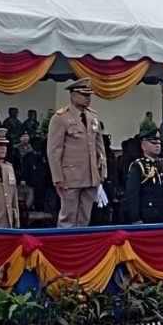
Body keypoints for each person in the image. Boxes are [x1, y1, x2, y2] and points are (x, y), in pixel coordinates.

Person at [47, 78, 107, 228]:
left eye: (89, 95)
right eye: (84, 94)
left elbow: (100, 147)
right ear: (73, 95)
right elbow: (54, 151)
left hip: (91, 175)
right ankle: (65, 242)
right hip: (70, 176)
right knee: (68, 217)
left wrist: (102, 172)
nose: (88, 98)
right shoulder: (60, 118)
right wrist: (58, 178)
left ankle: (81, 242)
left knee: (84, 217)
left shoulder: (92, 116)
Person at [124, 128, 163, 224]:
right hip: (148, 217)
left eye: (159, 143)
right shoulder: (139, 166)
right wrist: (135, 218)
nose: (157, 146)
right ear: (143, 146)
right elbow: (132, 194)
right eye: (153, 143)